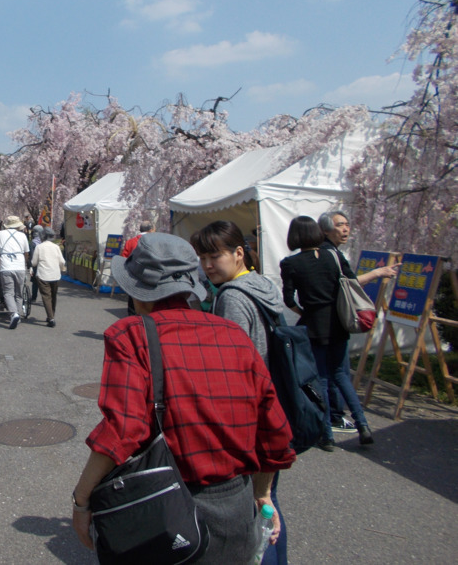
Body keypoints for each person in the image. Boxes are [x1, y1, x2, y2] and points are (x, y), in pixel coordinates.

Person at [72, 233, 295, 564]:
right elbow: (275, 432)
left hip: (165, 508)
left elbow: (123, 430)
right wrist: (263, 494)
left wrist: (81, 500)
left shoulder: (131, 334)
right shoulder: (233, 335)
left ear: (137, 288)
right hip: (236, 509)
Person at [191, 220, 290, 565]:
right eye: (201, 257)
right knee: (268, 500)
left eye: (214, 256)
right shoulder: (262, 284)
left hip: (249, 413)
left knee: (256, 506)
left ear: (238, 253)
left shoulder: (232, 297)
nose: (206, 265)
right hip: (274, 405)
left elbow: (229, 367)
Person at [280, 216, 374, 452]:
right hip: (339, 323)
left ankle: (327, 435)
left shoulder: (291, 264)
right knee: (341, 375)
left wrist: (304, 311)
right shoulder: (334, 256)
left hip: (314, 325)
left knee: (320, 378)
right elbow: (351, 282)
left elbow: (289, 300)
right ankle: (362, 425)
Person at [317, 211, 400, 432]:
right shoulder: (330, 254)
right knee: (337, 374)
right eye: (340, 225)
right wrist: (378, 272)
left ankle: (332, 425)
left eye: (347, 224)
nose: (345, 229)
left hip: (322, 324)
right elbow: (349, 284)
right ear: (326, 230)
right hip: (333, 323)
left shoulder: (324, 253)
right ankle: (349, 421)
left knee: (330, 375)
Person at [0, 215, 30, 330]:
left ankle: (14, 314)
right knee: (19, 293)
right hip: (20, 266)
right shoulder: (23, 235)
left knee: (8, 292)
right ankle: (17, 314)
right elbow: (26, 253)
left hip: (6, 265)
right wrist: (25, 264)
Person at [31, 227, 65, 327]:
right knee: (53, 296)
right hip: (55, 274)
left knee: (46, 296)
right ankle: (51, 315)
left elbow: (34, 263)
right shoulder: (56, 247)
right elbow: (62, 261)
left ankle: (51, 318)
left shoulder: (39, 247)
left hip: (43, 275)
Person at [122, 220, 155, 314]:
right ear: (151, 229)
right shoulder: (154, 242)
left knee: (133, 302)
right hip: (150, 276)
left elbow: (124, 259)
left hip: (133, 275)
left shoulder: (130, 242)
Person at [29, 224, 44, 302]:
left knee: (35, 282)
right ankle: (45, 297)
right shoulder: (44, 242)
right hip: (44, 264)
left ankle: (34, 298)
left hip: (36, 264)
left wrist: (30, 266)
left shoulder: (33, 243)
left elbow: (31, 255)